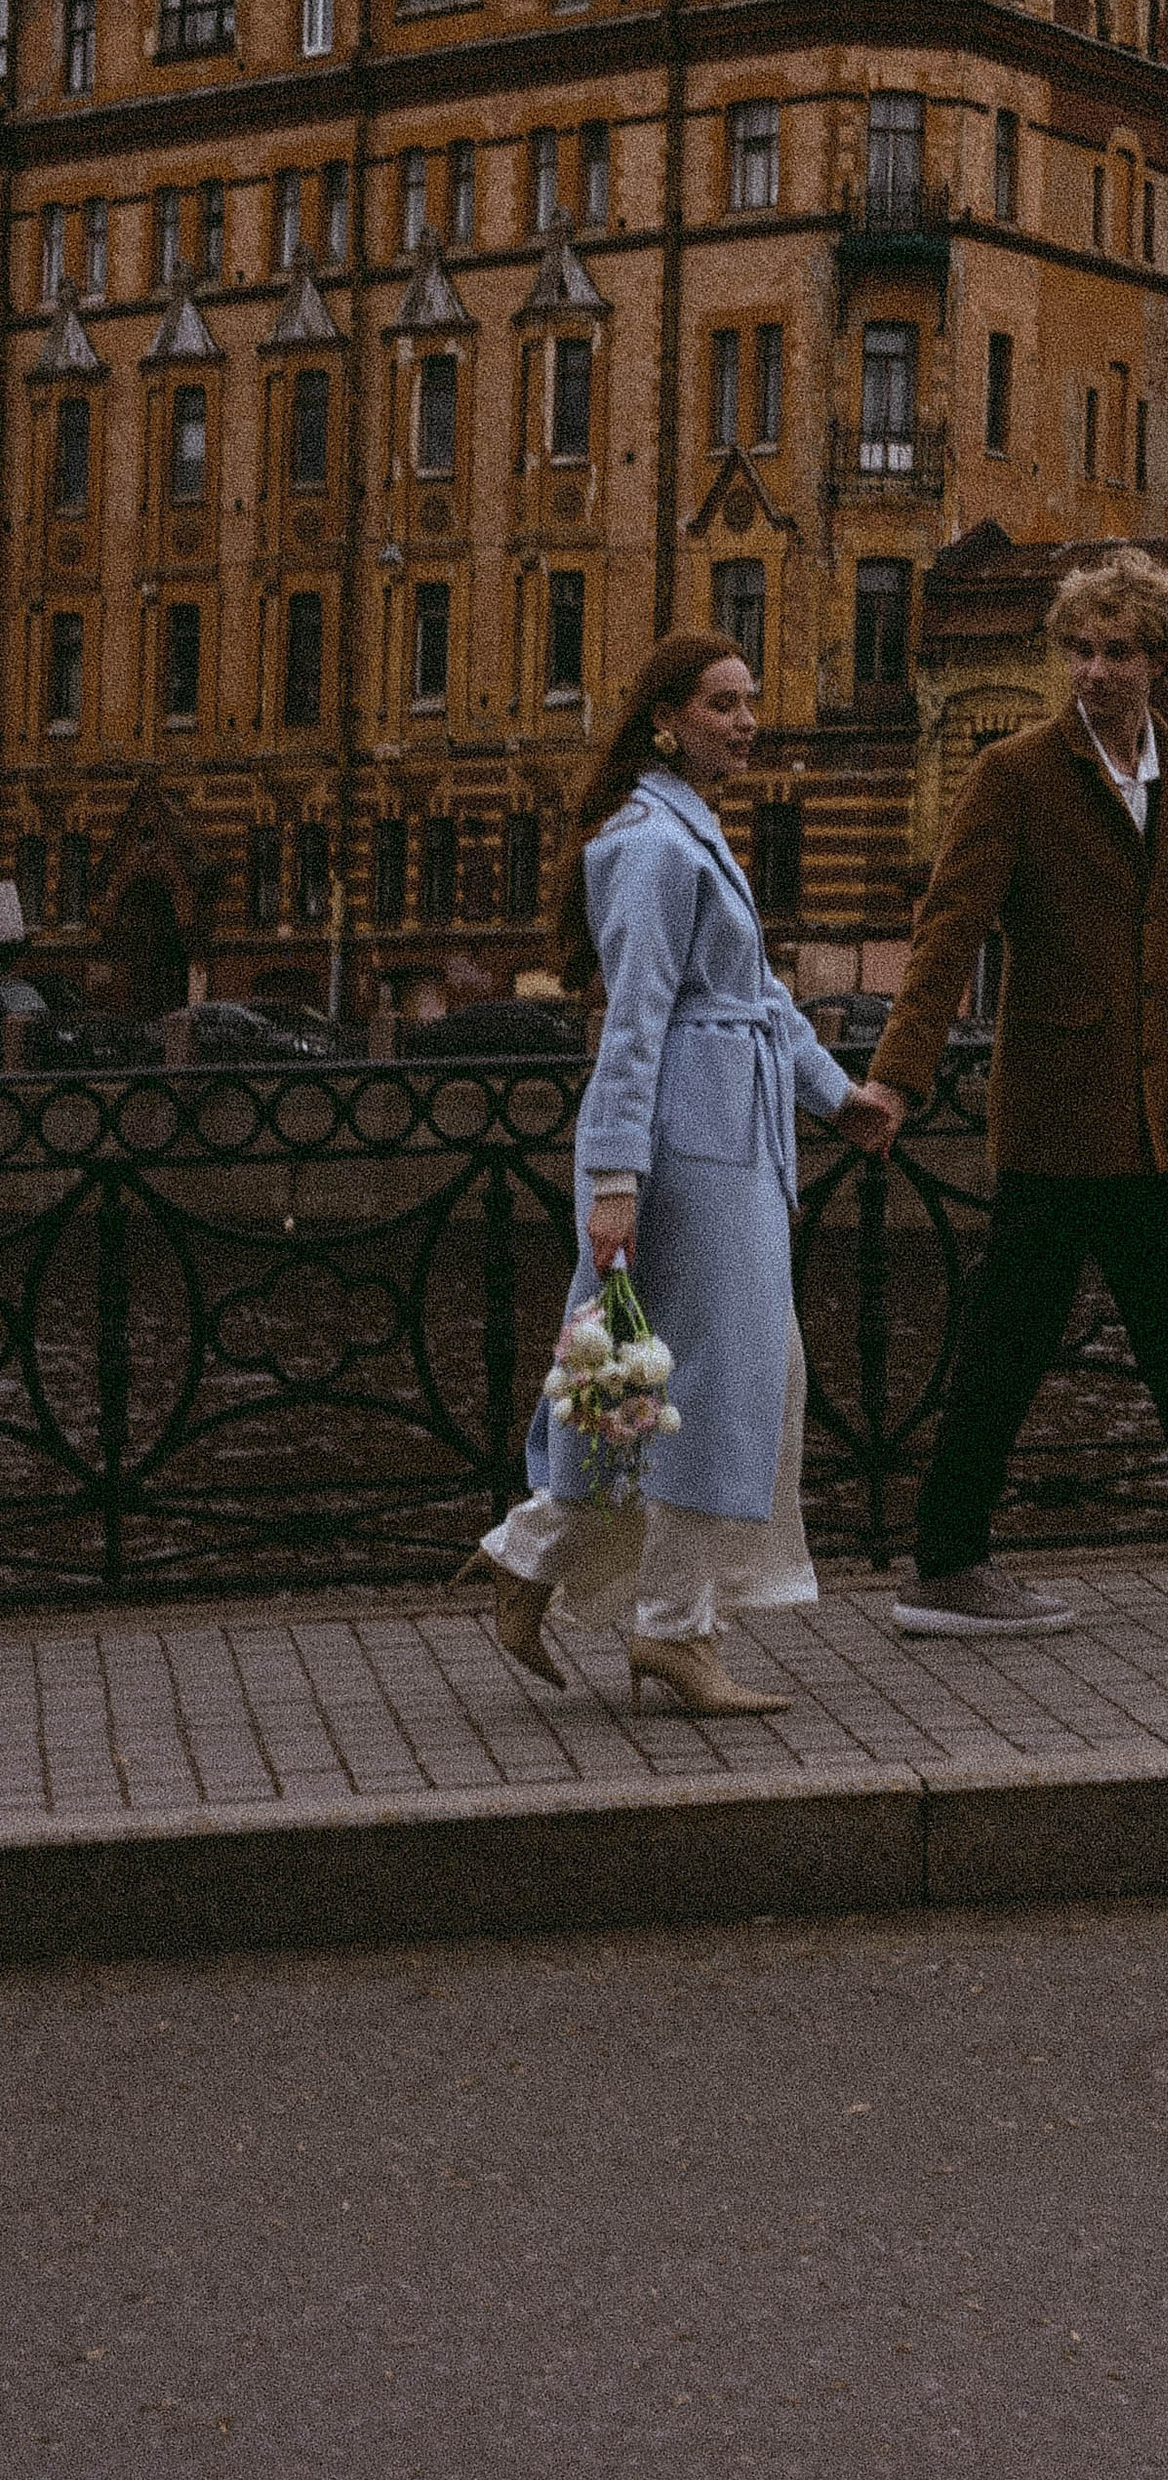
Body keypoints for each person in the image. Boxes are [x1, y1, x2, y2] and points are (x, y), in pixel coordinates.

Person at [842, 544, 1168, 1635]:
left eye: (1118, 652)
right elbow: (947, 933)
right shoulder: (1016, 773)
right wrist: (896, 1078)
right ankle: (946, 1566)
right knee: (1007, 1347)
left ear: (1160, 660)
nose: (1094, 671)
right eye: (1080, 650)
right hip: (1053, 1119)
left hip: (1152, 1122)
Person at [473, 632, 869, 1717]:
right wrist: (614, 1179)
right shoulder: (651, 845)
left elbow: (761, 999)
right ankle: (668, 1629)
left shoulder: (687, 831)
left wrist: (837, 1096)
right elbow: (634, 1021)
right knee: (710, 1387)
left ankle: (533, 1557)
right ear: (666, 720)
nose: (747, 722)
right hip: (695, 1153)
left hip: (724, 1139)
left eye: (751, 701)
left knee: (675, 1385)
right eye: (723, 704)